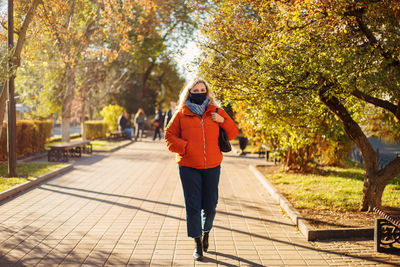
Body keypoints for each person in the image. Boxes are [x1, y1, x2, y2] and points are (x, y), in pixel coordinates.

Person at [165, 78, 238, 261]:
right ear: (189, 93)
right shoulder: (181, 114)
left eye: (202, 89)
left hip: (212, 165)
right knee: (193, 206)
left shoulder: (216, 111)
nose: (199, 92)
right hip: (189, 166)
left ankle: (206, 232)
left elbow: (234, 132)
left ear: (207, 91)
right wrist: (185, 147)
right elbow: (169, 136)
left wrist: (222, 120)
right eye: (195, 90)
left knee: (211, 205)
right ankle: (197, 244)